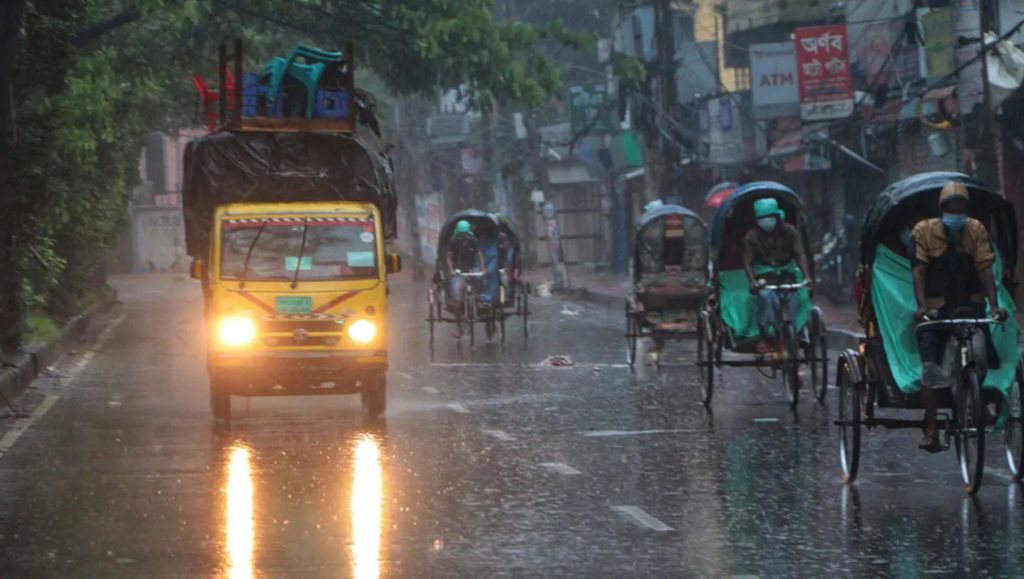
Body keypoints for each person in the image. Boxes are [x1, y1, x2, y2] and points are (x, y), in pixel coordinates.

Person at [911, 181, 1006, 451]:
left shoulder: (975, 229)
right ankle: (931, 428)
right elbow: (919, 271)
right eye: (951, 207)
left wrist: (994, 305)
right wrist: (922, 307)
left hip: (970, 307)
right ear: (942, 209)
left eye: (961, 206)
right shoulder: (924, 231)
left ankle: (979, 400)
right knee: (930, 368)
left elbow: (986, 269)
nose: (956, 211)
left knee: (982, 353)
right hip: (936, 309)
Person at [743, 198, 813, 354]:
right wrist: (752, 281)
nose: (766, 221)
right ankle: (766, 333)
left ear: (777, 217)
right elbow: (747, 262)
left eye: (769, 217)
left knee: (798, 298)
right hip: (765, 277)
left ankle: (796, 330)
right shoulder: (751, 236)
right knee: (766, 297)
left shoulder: (790, 232)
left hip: (788, 274)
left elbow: (800, 254)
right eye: (762, 219)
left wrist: (807, 276)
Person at [446, 220, 486, 338]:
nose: (463, 236)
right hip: (459, 271)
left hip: (472, 269)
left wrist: (483, 268)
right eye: (461, 233)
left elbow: (479, 255)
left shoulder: (473, 241)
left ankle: (479, 303)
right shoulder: (454, 242)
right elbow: (449, 256)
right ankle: (459, 324)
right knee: (457, 298)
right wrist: (451, 268)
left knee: (479, 285)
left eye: (465, 233)